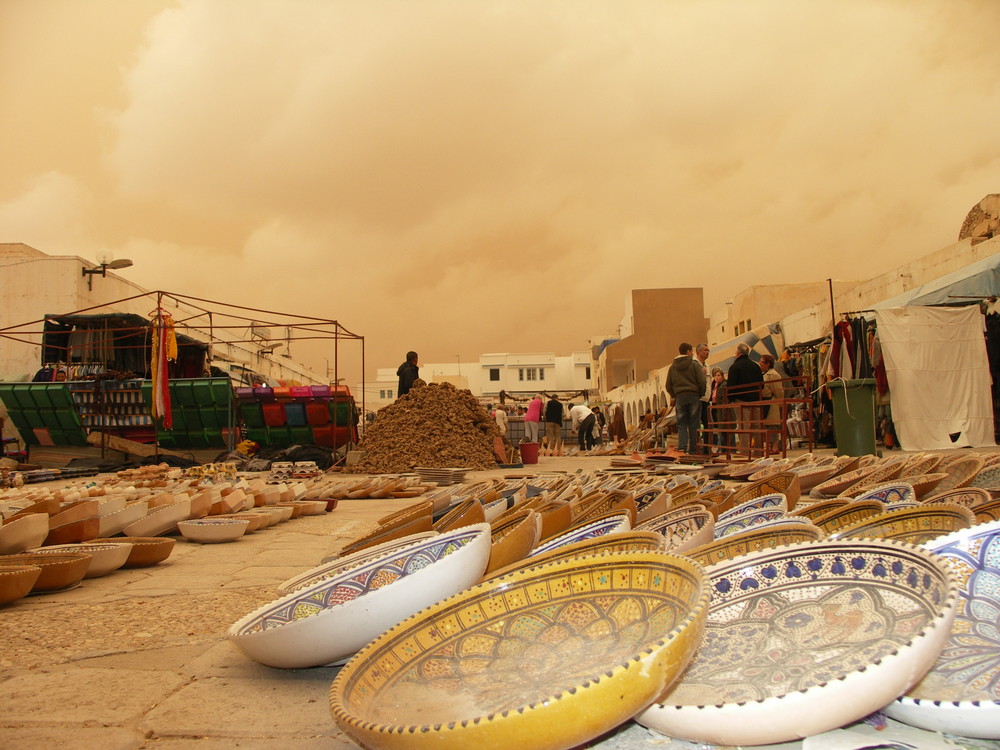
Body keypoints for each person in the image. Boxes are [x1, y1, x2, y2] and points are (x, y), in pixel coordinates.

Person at [666, 343, 706, 454]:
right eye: (691, 351)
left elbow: (668, 385)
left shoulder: (673, 367)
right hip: (693, 396)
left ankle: (682, 449)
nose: (692, 353)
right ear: (688, 352)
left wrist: (674, 395)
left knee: (681, 424)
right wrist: (700, 393)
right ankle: (694, 450)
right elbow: (702, 381)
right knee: (694, 424)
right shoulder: (694, 365)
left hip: (680, 397)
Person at [726, 343, 764, 452]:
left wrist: (731, 399)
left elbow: (731, 386)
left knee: (744, 426)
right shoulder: (756, 366)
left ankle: (744, 451)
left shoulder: (734, 367)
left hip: (741, 400)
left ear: (737, 353)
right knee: (757, 425)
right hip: (756, 399)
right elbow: (762, 384)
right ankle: (758, 450)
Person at [759, 354, 785, 452]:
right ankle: (770, 446)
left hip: (772, 401)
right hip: (765, 401)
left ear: (768, 363)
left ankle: (775, 446)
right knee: (767, 425)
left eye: (762, 362)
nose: (760, 363)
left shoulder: (773, 374)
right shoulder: (764, 374)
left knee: (773, 425)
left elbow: (778, 390)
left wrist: (779, 401)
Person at [694, 344, 711, 452]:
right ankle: (696, 448)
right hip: (697, 399)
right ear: (698, 352)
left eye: (708, 350)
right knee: (696, 424)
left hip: (706, 399)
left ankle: (707, 449)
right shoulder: (694, 365)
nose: (707, 352)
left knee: (707, 424)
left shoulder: (708, 366)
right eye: (705, 350)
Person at [709, 366, 730, 451]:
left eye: (718, 375)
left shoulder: (724, 385)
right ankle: (720, 448)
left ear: (722, 376)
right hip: (715, 408)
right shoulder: (714, 384)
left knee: (724, 430)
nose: (717, 377)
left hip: (722, 409)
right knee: (718, 429)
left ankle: (724, 449)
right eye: (715, 375)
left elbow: (724, 399)